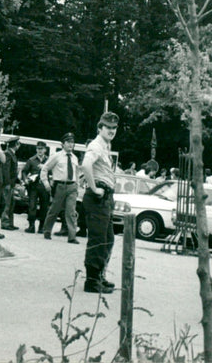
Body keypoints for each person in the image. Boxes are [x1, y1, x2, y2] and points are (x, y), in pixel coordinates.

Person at [81, 111, 120, 294]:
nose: (111, 130)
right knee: (98, 240)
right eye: (108, 127)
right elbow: (86, 165)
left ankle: (99, 276)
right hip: (98, 198)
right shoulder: (96, 145)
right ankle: (92, 281)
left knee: (108, 239)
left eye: (114, 127)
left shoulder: (105, 146)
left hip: (105, 198)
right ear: (100, 128)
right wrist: (94, 188)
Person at [40, 133, 80, 244]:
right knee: (54, 210)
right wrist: (46, 183)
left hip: (72, 186)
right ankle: (47, 230)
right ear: (63, 144)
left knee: (71, 212)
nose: (71, 145)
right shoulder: (56, 156)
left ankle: (72, 236)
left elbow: (76, 173)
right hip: (60, 186)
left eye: (72, 142)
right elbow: (44, 169)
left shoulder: (75, 158)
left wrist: (77, 185)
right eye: (68, 142)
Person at [22, 141, 50, 234]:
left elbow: (53, 171)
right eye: (38, 148)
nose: (39, 151)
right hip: (34, 186)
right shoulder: (31, 160)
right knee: (32, 205)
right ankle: (31, 226)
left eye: (41, 149)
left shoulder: (49, 160)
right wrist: (25, 180)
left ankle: (41, 226)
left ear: (45, 150)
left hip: (44, 186)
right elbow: (24, 171)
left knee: (44, 206)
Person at [0, 136, 21, 231]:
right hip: (8, 184)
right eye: (18, 144)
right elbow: (6, 170)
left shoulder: (11, 154)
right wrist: (7, 183)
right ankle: (5, 223)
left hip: (11, 183)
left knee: (11, 204)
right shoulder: (8, 154)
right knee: (7, 203)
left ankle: (10, 223)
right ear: (16, 145)